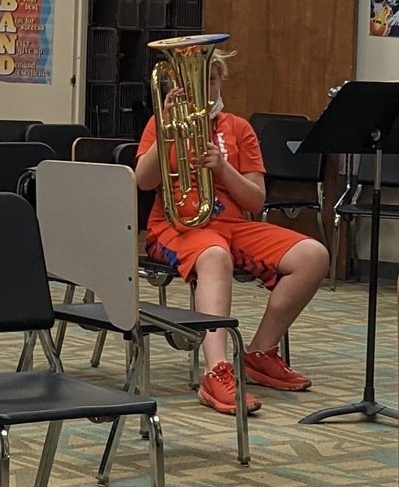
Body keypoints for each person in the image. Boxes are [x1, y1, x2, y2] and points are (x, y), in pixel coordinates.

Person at [135, 50, 329, 416]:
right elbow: (143, 181)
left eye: (210, 80)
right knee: (214, 256)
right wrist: (167, 131)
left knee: (313, 255)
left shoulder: (239, 128)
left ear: (221, 82)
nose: (203, 89)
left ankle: (259, 353)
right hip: (177, 227)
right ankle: (216, 369)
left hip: (233, 225)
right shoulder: (159, 125)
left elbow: (255, 198)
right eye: (194, 82)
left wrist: (223, 168)